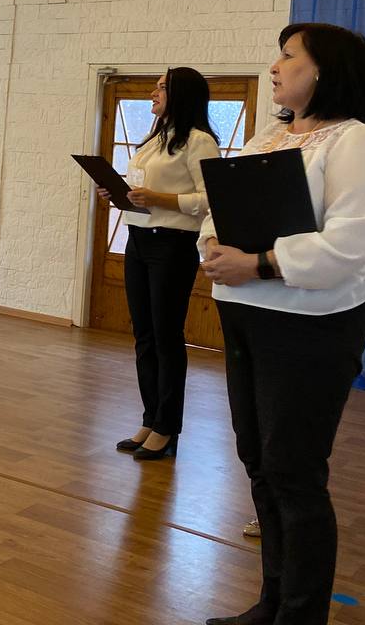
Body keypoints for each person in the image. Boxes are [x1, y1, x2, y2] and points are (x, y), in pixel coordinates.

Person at [199, 23, 365, 625]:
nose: (275, 66)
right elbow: (220, 207)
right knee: (259, 463)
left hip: (311, 324)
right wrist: (211, 241)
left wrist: (258, 263)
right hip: (246, 312)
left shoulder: (360, 139)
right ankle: (273, 602)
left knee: (294, 471)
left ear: (323, 70)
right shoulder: (270, 136)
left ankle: (302, 614)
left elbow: (347, 245)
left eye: (288, 56)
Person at [100, 68, 220, 462]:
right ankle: (150, 419)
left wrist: (158, 198)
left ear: (181, 94)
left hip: (172, 244)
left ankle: (168, 428)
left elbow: (211, 198)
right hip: (139, 239)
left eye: (162, 87)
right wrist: (119, 194)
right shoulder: (156, 138)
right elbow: (143, 191)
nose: (153, 92)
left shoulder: (200, 141)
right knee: (144, 336)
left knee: (167, 338)